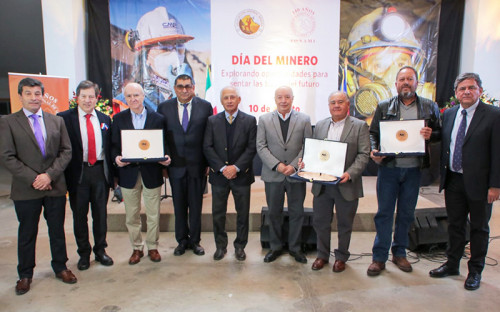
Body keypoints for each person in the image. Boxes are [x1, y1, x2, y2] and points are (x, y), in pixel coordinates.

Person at [0, 78, 76, 295]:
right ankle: (25, 274)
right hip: (26, 189)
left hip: (54, 186)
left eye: (37, 93)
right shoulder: (8, 122)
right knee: (27, 233)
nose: (34, 97)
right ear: (20, 96)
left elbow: (66, 151)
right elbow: (6, 156)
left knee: (57, 230)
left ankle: (60, 267)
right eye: (28, 93)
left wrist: (49, 176)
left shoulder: (56, 121)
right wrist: (35, 178)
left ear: (43, 95)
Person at [429, 73, 500, 290]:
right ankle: (452, 264)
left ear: (479, 90)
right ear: (456, 93)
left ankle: (475, 271)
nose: (467, 91)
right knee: (455, 225)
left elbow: (498, 152)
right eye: (462, 88)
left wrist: (495, 185)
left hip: (481, 184)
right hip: (453, 180)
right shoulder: (449, 114)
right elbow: (444, 139)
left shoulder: (493, 115)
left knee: (479, 228)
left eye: (471, 87)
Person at [367, 66, 440, 276]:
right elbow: (374, 133)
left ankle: (399, 253)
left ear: (417, 83)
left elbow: (440, 133)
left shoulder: (429, 106)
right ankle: (379, 257)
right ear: (396, 83)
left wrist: (431, 134)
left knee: (406, 214)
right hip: (389, 169)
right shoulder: (383, 106)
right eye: (402, 79)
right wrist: (375, 149)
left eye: (410, 79)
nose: (406, 82)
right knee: (384, 214)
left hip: (414, 170)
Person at [302, 91, 370, 272]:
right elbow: (316, 152)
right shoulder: (322, 125)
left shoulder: (360, 126)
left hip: (346, 183)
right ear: (329, 105)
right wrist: (306, 163)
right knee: (320, 222)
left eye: (340, 102)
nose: (336, 105)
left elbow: (364, 154)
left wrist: (350, 173)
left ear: (348, 105)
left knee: (345, 224)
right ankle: (322, 255)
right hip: (322, 184)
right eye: (333, 102)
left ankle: (341, 257)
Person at [111, 82, 171, 265]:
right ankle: (137, 248)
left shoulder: (157, 118)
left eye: (136, 95)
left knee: (154, 214)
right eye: (128, 96)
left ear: (143, 96)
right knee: (132, 215)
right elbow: (113, 145)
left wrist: (166, 157)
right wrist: (116, 158)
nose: (133, 99)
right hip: (128, 173)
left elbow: (164, 142)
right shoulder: (119, 119)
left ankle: (152, 246)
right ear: (125, 98)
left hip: (151, 172)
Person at [58, 81, 114, 271]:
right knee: (80, 216)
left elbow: (109, 147)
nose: (88, 100)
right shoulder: (64, 118)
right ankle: (84, 254)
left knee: (100, 215)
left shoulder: (105, 119)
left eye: (91, 96)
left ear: (96, 98)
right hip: (77, 174)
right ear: (77, 97)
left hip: (99, 172)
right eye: (84, 96)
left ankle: (100, 251)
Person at [158, 74, 213, 256]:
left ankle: (195, 241)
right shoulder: (164, 107)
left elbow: (208, 137)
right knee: (179, 206)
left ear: (193, 87)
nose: (184, 90)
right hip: (175, 166)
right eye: (180, 86)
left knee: (196, 206)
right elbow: (162, 136)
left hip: (198, 166)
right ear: (174, 88)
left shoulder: (205, 107)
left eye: (188, 86)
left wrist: (208, 163)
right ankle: (181, 241)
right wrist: (163, 164)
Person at [256, 86, 312, 264]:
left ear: (292, 99)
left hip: (296, 176)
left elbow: (307, 145)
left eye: (287, 97)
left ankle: (295, 248)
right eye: (279, 97)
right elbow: (261, 146)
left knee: (297, 212)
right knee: (274, 213)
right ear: (275, 99)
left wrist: (294, 165)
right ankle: (275, 247)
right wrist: (277, 165)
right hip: (273, 175)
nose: (283, 100)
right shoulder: (264, 119)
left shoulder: (304, 119)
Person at [203, 86, 257, 261]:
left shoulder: (249, 120)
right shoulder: (212, 121)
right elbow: (207, 147)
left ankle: (240, 246)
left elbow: (251, 148)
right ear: (221, 101)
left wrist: (236, 167)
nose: (229, 100)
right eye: (226, 97)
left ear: (239, 100)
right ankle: (220, 246)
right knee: (218, 214)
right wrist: (222, 168)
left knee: (243, 214)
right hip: (219, 176)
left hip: (241, 175)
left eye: (233, 97)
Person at [113, 6, 195, 111]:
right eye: (165, 47)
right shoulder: (126, 102)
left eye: (178, 46)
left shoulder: (193, 99)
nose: (174, 54)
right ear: (145, 55)